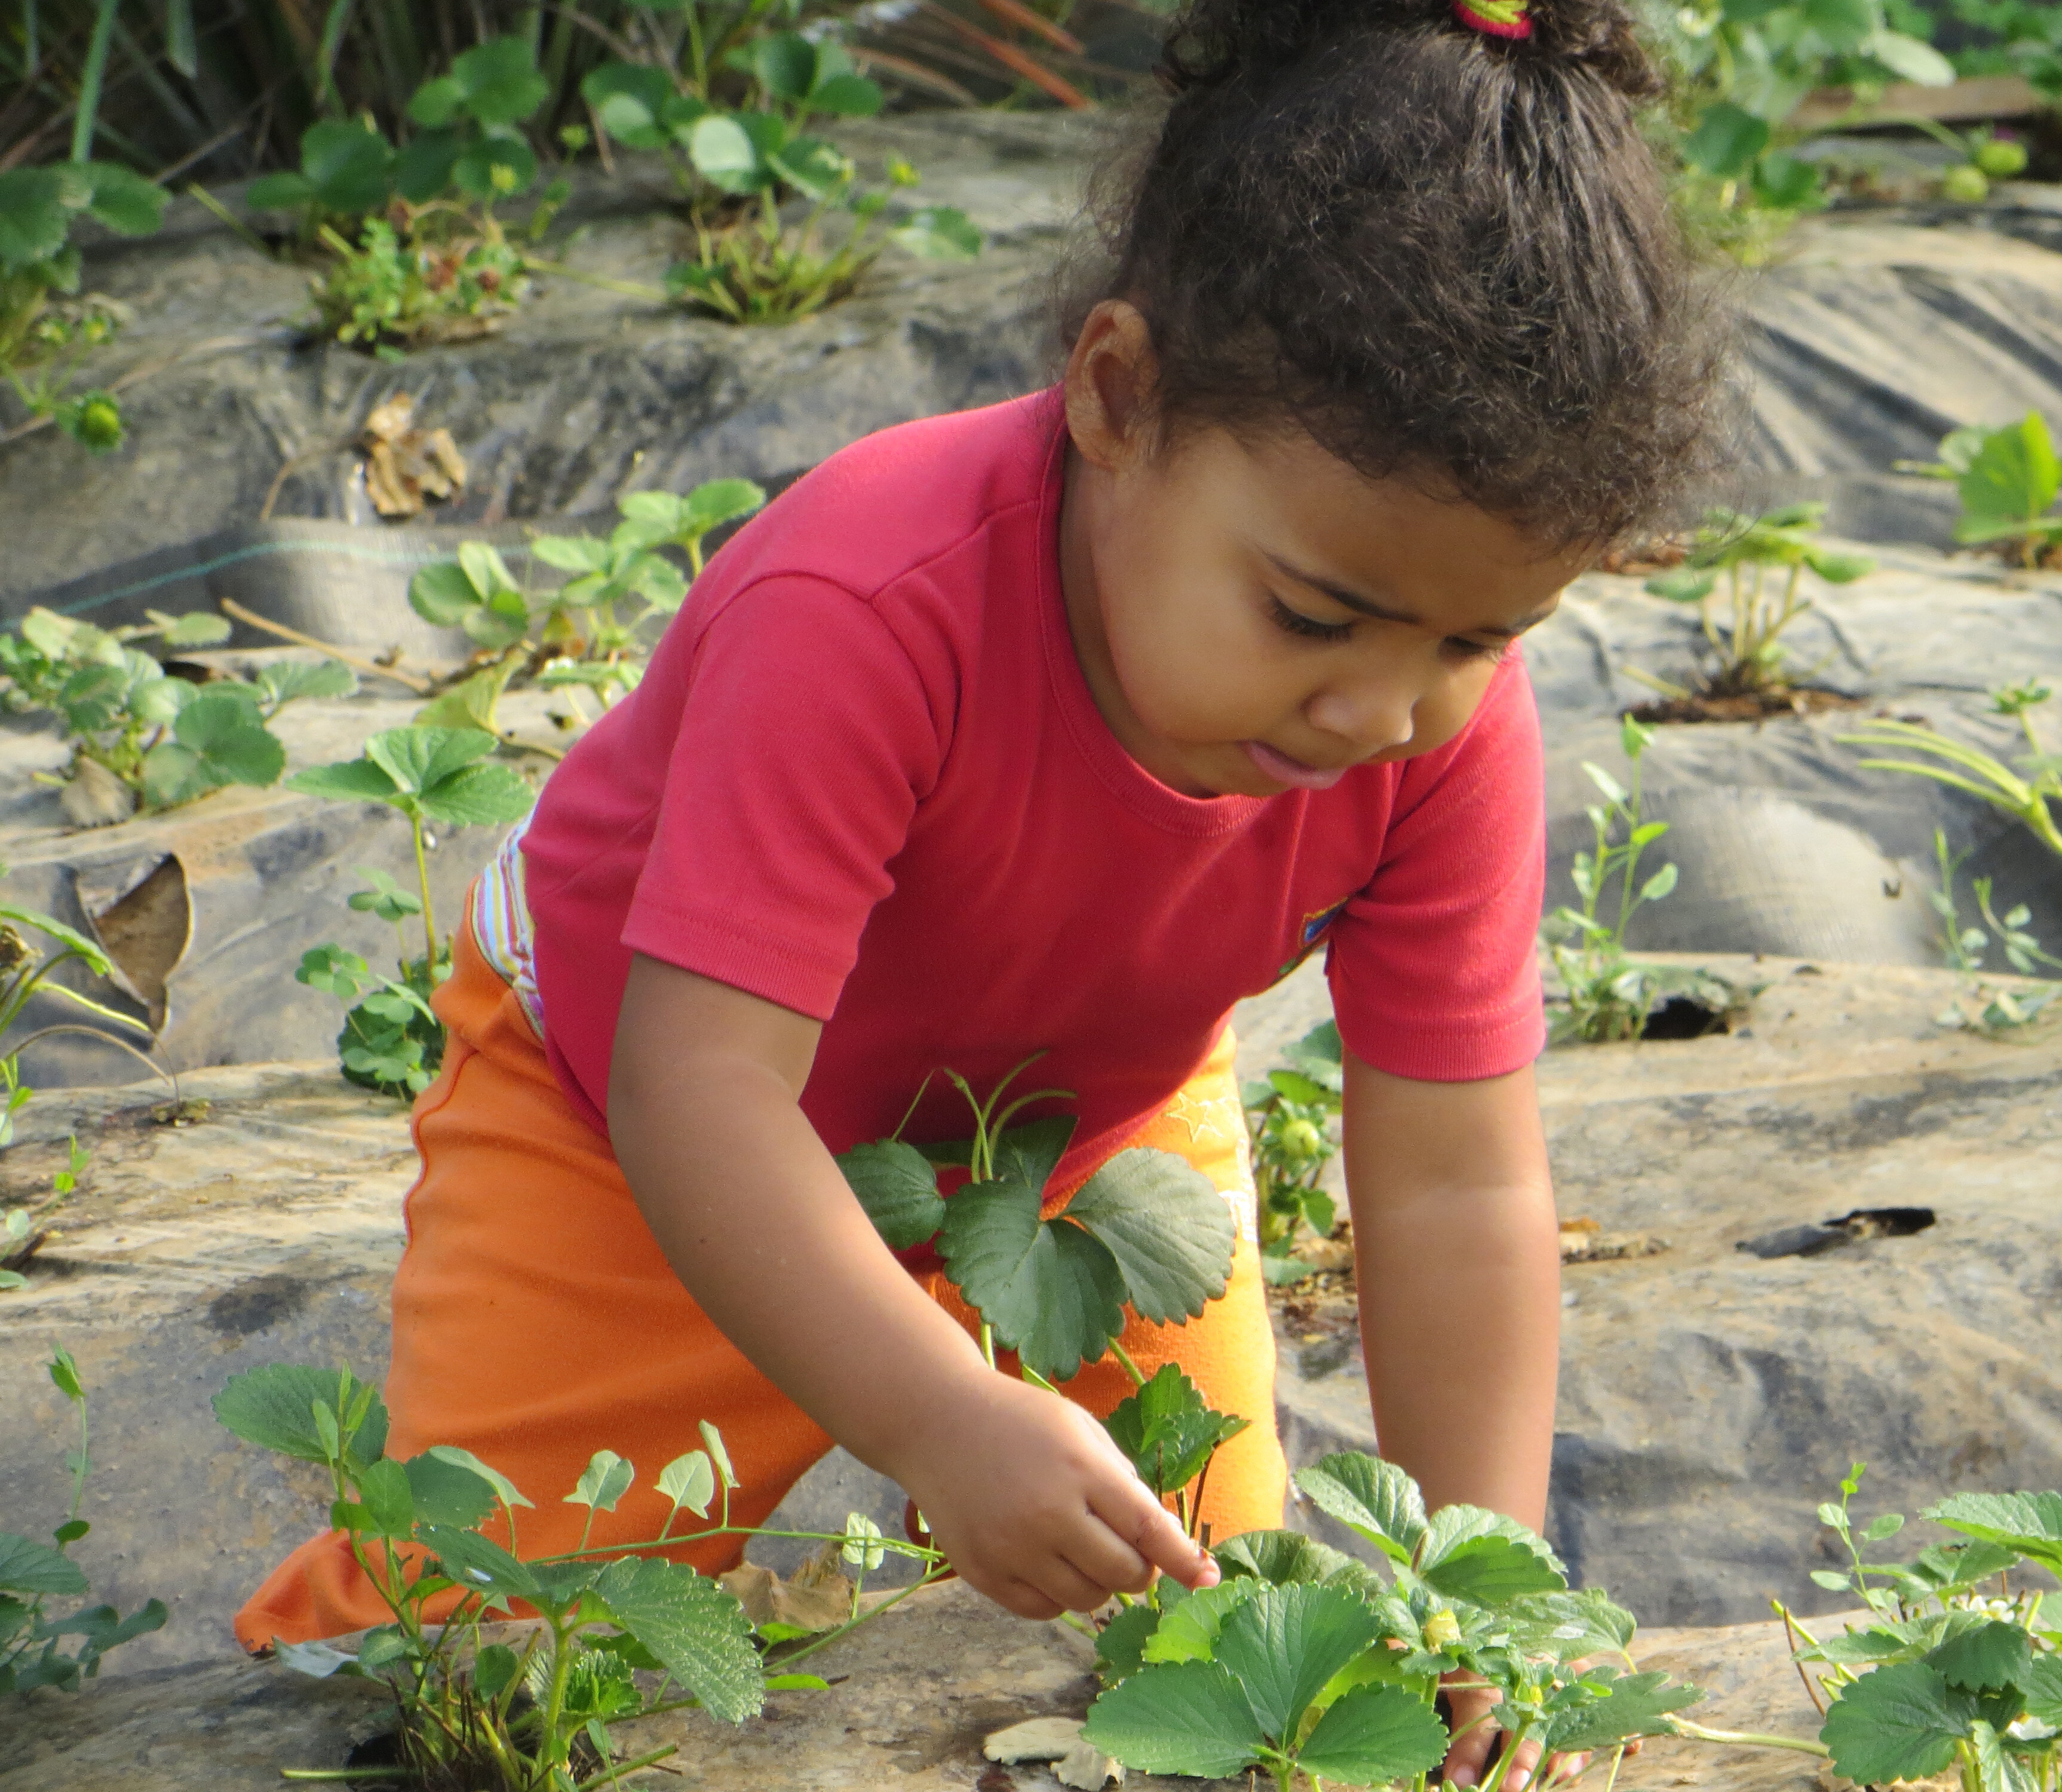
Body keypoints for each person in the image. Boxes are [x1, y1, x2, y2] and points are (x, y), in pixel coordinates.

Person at [237, 0, 1717, 1784]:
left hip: (1088, 1136)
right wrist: (943, 1419)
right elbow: (697, 1089)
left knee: (1234, 1643)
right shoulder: (868, 610)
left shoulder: (1436, 734)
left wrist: (1475, 1593)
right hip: (636, 1129)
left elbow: (1460, 1181)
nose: (1378, 709)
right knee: (472, 1674)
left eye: (1481, 638)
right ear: (1114, 394)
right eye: (1314, 617)